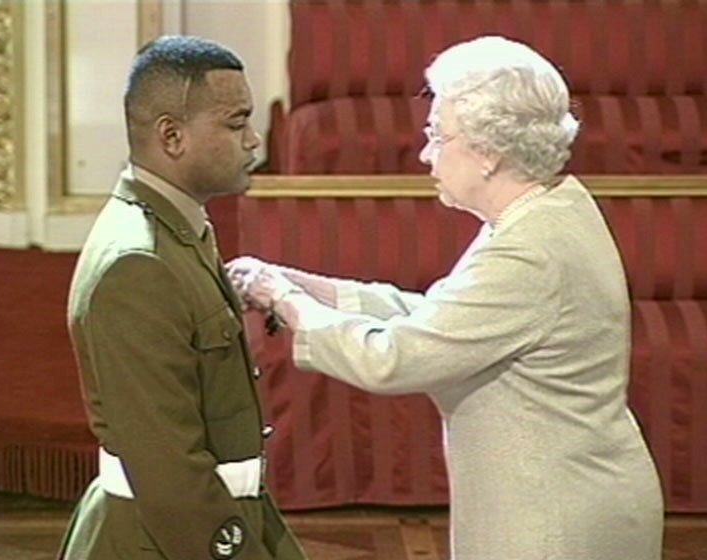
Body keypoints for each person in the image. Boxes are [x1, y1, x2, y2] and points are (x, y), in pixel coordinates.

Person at [229, 36, 664, 560]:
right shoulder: (547, 208)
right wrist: (294, 281)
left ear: (488, 152)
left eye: (438, 135)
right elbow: (443, 318)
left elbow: (391, 359)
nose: (424, 152)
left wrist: (280, 298)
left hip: (554, 520)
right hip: (565, 496)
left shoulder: (529, 251)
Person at [60, 36, 307, 560]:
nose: (255, 141)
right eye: (236, 124)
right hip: (164, 540)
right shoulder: (138, 263)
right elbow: (169, 469)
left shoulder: (179, 229)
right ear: (172, 136)